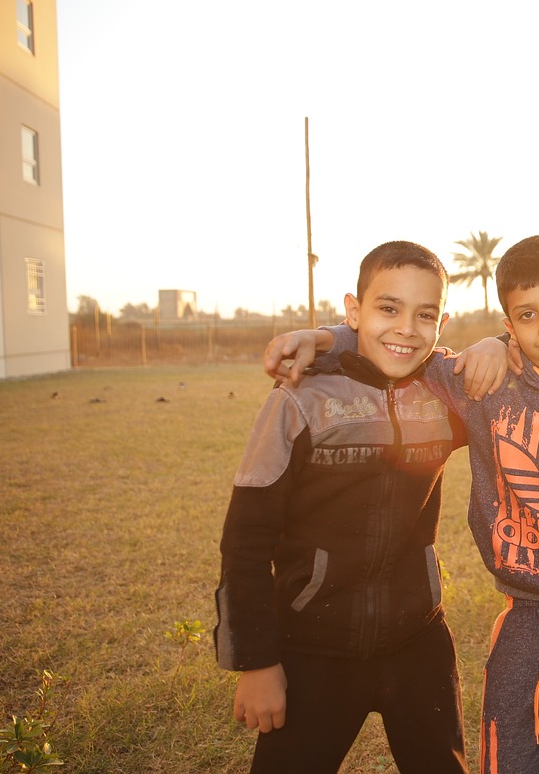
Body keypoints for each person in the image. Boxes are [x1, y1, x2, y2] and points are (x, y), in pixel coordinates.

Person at [272, 235, 539, 774]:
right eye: (527, 315)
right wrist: (329, 337)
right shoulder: (489, 384)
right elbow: (402, 346)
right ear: (510, 323)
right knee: (511, 756)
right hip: (528, 612)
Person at [214, 240, 506, 774]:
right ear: (354, 310)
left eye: (425, 315)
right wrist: (256, 663)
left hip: (417, 640)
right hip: (312, 645)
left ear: (443, 322)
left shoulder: (446, 396)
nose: (406, 328)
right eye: (387, 308)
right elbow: (245, 540)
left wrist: (500, 342)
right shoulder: (300, 398)